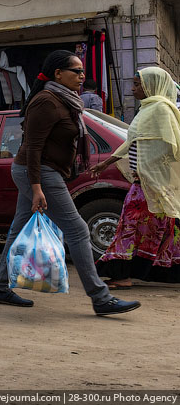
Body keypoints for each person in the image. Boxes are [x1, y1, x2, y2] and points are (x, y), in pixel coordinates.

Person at [0, 50, 139, 316]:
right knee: (78, 230)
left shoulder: (67, 100)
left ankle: (0, 287)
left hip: (43, 171)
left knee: (17, 230)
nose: (82, 76)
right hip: (38, 171)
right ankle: (99, 297)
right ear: (58, 74)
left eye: (82, 71)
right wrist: (36, 188)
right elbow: (33, 147)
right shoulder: (46, 101)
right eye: (76, 71)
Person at [92, 67, 180, 288]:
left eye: (137, 84)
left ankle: (122, 275)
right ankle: (128, 274)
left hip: (154, 184)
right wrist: (107, 162)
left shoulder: (160, 109)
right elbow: (132, 142)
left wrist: (149, 169)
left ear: (152, 85)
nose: (133, 88)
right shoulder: (147, 109)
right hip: (146, 184)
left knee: (131, 226)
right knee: (158, 228)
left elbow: (170, 147)